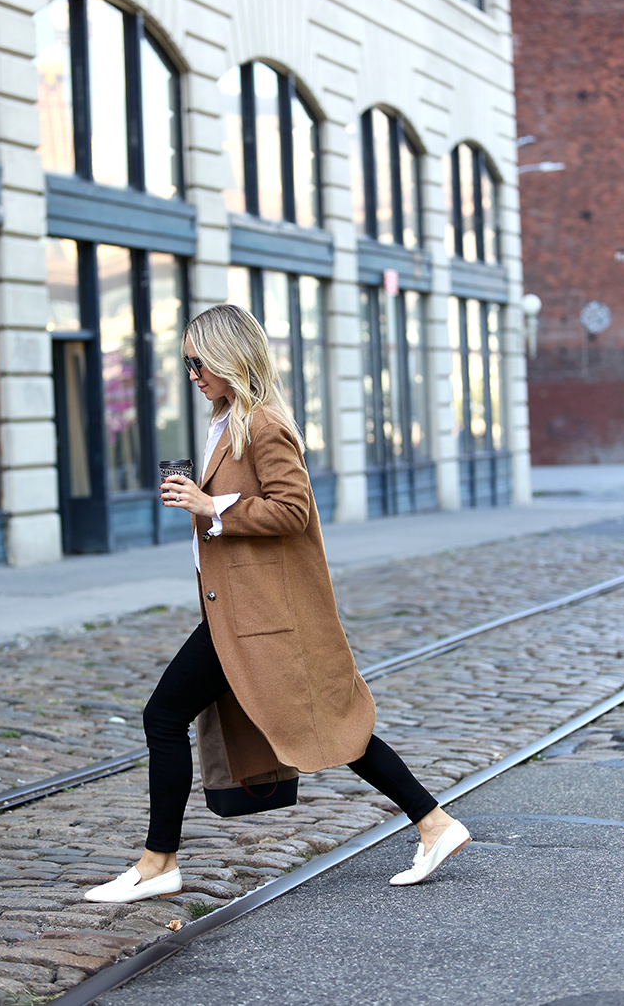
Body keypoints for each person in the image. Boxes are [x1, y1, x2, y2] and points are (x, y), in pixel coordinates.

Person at [85, 305, 470, 903]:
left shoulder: (263, 423)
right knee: (323, 721)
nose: (192, 373)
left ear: (230, 358)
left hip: (258, 615)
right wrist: (202, 506)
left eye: (199, 361)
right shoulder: (224, 420)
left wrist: (213, 508)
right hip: (233, 608)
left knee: (174, 717)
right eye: (186, 361)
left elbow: (293, 510)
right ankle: (434, 823)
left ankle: (159, 864)